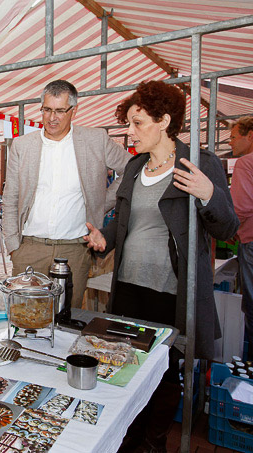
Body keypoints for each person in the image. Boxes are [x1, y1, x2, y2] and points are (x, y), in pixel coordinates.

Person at [84, 80, 239, 451]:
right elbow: (123, 219)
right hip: (130, 286)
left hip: (173, 289)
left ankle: (154, 443)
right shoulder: (136, 166)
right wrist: (105, 238)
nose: (130, 132)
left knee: (166, 373)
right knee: (127, 365)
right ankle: (129, 435)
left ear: (164, 121)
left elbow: (228, 226)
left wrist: (208, 195)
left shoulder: (200, 164)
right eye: (129, 124)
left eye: (138, 123)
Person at [2, 79, 130, 308]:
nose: (52, 118)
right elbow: (10, 197)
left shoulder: (95, 140)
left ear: (74, 110)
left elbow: (130, 169)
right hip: (29, 249)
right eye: (47, 109)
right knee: (23, 316)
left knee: (66, 319)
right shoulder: (22, 145)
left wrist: (103, 203)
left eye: (60, 111)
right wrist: (14, 246)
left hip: (75, 250)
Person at [229, 116, 253, 358]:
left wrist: (229, 228)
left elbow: (241, 208)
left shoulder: (246, 163)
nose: (231, 143)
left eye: (234, 137)